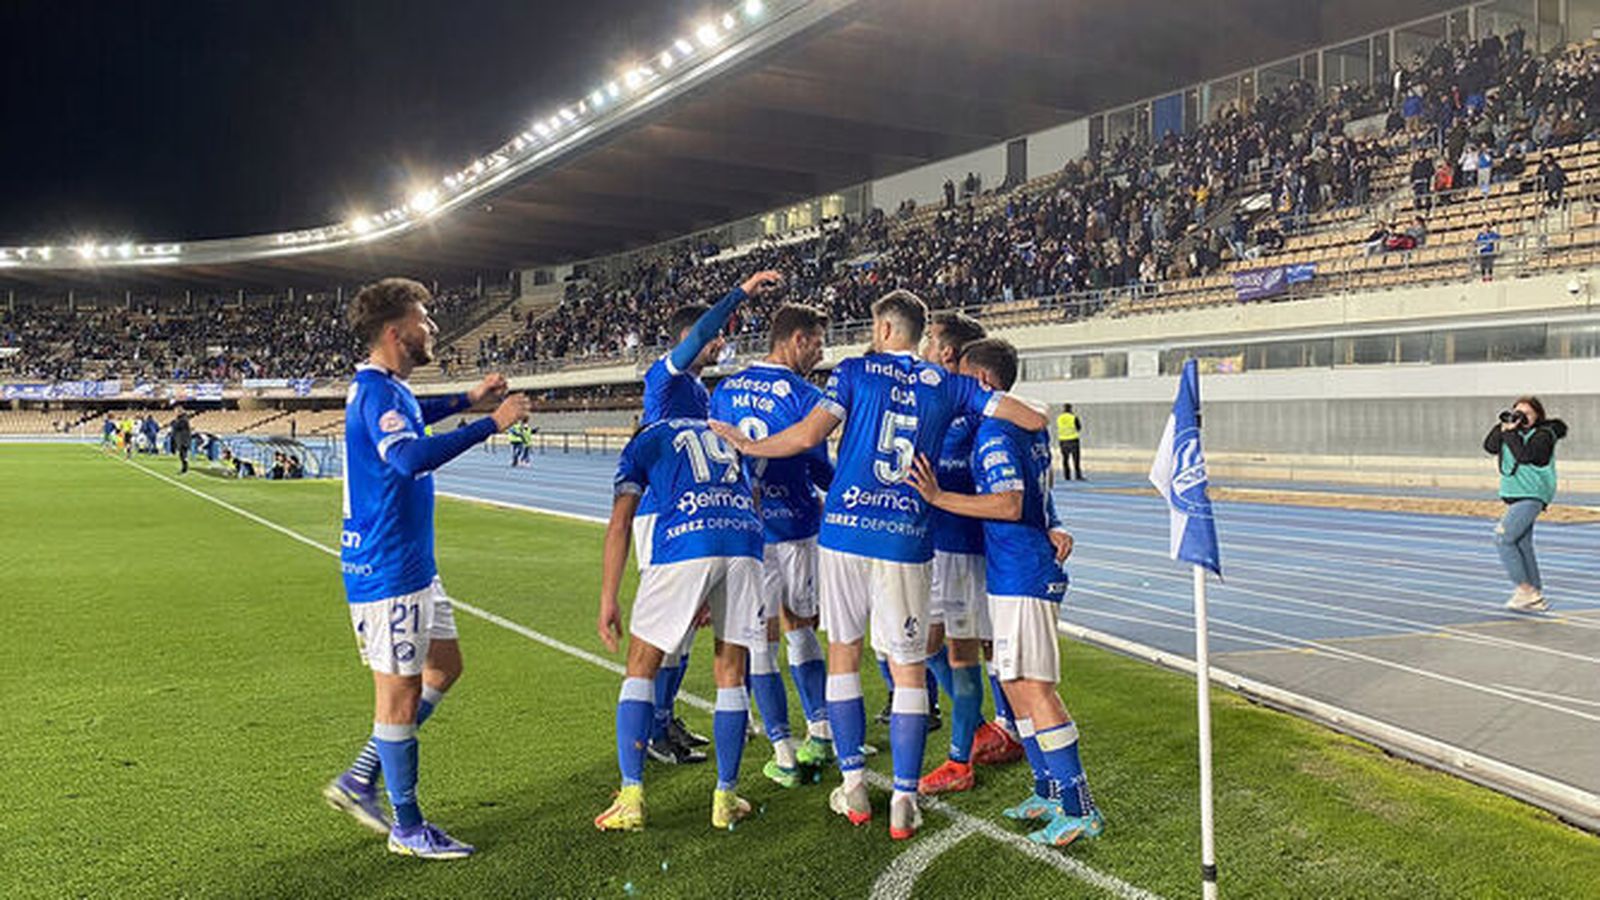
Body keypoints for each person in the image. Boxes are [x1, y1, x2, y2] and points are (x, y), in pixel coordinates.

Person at [710, 289, 1047, 840]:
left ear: (886, 329)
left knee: (843, 654)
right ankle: (905, 801)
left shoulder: (853, 371)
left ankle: (856, 788)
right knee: (910, 667)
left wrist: (747, 446)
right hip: (908, 537)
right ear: (918, 335)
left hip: (843, 531)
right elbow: (1031, 418)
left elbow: (806, 437)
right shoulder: (952, 384)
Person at [322, 277, 530, 859]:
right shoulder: (379, 394)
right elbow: (410, 457)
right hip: (387, 567)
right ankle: (408, 828)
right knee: (398, 698)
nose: (432, 328)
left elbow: (415, 414)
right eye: (424, 320)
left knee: (446, 666)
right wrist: (493, 422)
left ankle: (360, 778)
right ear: (396, 332)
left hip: (410, 564)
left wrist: (468, 399)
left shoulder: (386, 388)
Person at [904, 337, 1104, 849]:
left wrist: (938, 497)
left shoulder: (994, 432)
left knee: (1035, 690)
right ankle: (1047, 790)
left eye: (966, 382)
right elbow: (1040, 498)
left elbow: (1011, 504)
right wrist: (1055, 524)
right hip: (1017, 570)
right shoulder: (1021, 426)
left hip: (1023, 572)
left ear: (984, 383)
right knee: (1014, 685)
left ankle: (1080, 807)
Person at [593, 417, 766, 832]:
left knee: (640, 666)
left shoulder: (641, 445)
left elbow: (620, 524)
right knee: (731, 671)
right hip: (746, 540)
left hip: (686, 540)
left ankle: (631, 796)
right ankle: (725, 796)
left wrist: (608, 598)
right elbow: (752, 494)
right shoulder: (716, 430)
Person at [639, 270, 784, 766]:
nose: (720, 341)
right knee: (668, 633)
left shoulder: (701, 393)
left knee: (687, 631)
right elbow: (702, 333)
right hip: (659, 515)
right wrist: (741, 292)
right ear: (686, 339)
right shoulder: (666, 376)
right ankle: (654, 729)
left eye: (722, 335)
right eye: (712, 335)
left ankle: (665, 720)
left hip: (694, 518)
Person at [708, 303, 835, 787]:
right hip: (799, 524)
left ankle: (783, 752)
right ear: (797, 339)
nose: (820, 353)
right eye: (818, 342)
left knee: (759, 641)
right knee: (802, 627)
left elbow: (722, 456)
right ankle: (819, 733)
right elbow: (817, 464)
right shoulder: (806, 394)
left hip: (749, 530)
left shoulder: (726, 390)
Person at [915, 311, 1024, 799]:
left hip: (959, 548)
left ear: (951, 355)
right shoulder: (952, 406)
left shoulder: (981, 414)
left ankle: (963, 757)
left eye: (931, 341)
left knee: (963, 652)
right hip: (941, 545)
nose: (923, 348)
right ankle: (984, 727)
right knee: (926, 646)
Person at [1483, 397, 1567, 612]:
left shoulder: (1543, 435)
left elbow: (1526, 456)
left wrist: (1511, 433)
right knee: (1521, 543)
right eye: (1517, 412)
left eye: (1526, 414)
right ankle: (1534, 594)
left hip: (1533, 493)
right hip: (1516, 494)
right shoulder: (1511, 431)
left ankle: (1525, 589)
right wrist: (1503, 427)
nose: (1521, 418)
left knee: (1503, 538)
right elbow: (1490, 447)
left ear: (1538, 416)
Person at [1056, 404, 1083, 481]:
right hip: (1073, 439)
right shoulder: (1073, 417)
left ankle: (1067, 476)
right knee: (1076, 459)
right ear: (1071, 409)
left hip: (1062, 440)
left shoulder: (1059, 418)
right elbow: (1079, 428)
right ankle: (1078, 475)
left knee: (1065, 459)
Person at [170, 408, 192, 474]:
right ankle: (184, 468)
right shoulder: (181, 419)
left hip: (184, 440)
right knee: (182, 455)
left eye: (176, 412)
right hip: (181, 439)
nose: (175, 413)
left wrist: (174, 423)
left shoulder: (183, 419)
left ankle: (185, 468)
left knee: (183, 454)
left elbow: (178, 426)